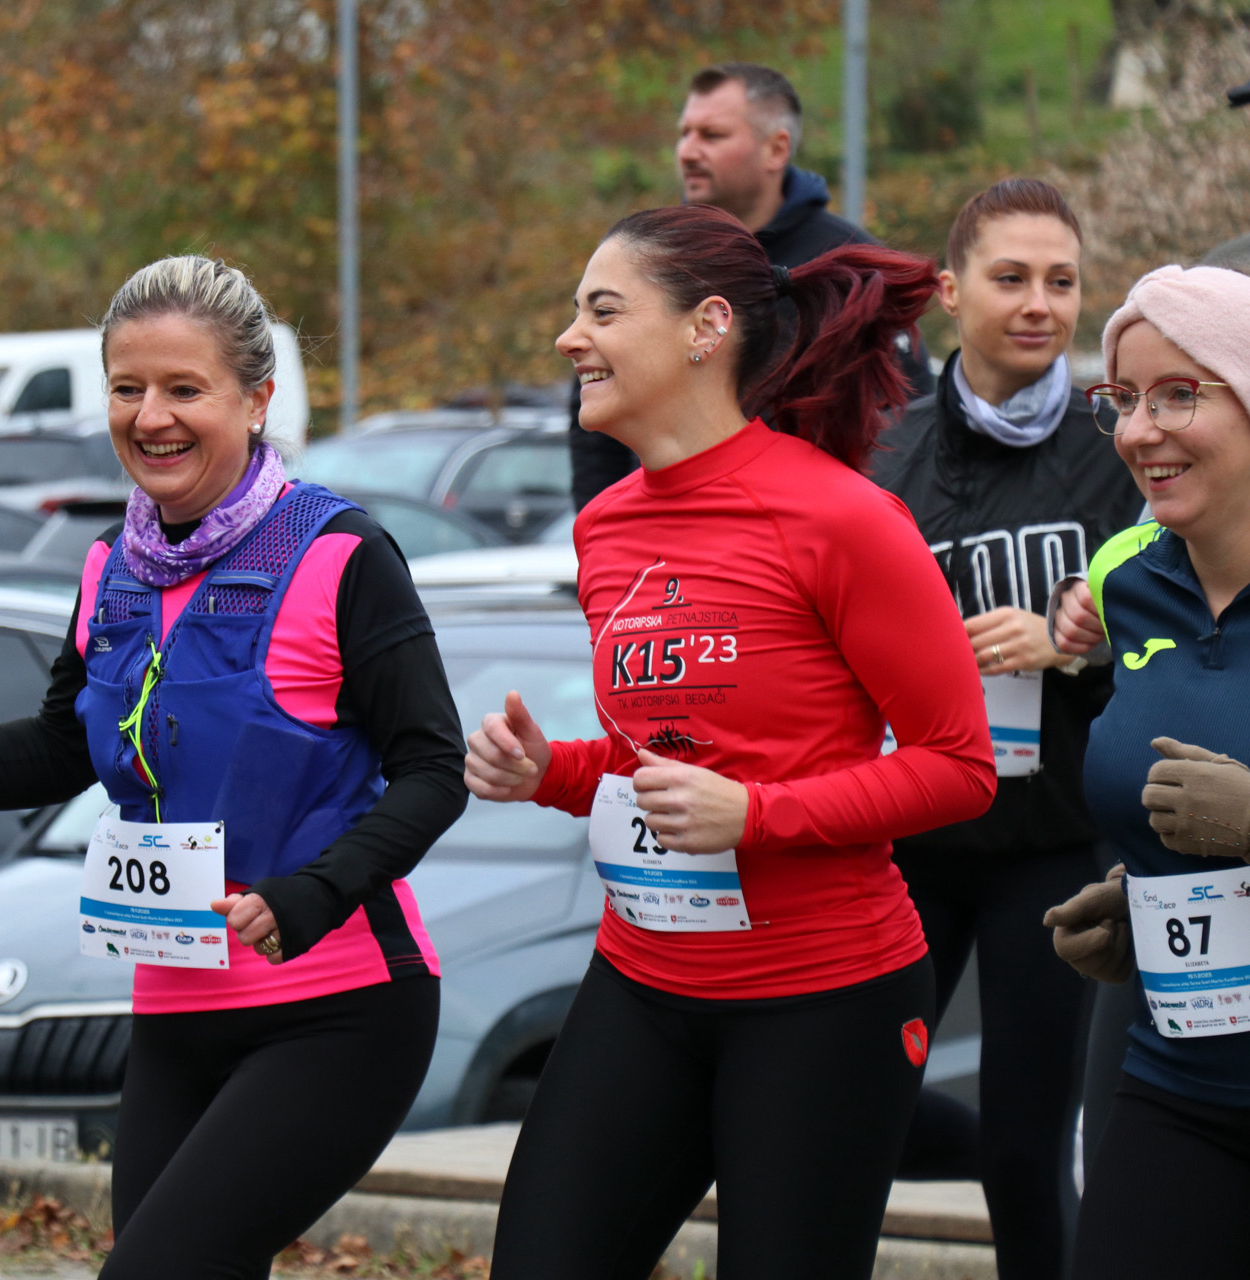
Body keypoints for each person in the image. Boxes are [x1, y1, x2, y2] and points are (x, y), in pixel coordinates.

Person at [0, 256, 468, 1280]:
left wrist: (318, 888)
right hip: (178, 1003)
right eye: (127, 388)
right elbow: (57, 748)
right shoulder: (112, 565)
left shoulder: (342, 553)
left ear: (257, 399)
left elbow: (433, 768)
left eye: (185, 389)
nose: (151, 416)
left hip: (337, 1003)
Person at [466, 204, 996, 1279]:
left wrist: (759, 817)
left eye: (601, 310)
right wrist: (548, 771)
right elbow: (651, 762)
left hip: (824, 998)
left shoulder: (842, 519)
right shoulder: (605, 524)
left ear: (706, 326)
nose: (571, 338)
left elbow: (959, 766)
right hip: (645, 978)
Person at [867, 179, 1137, 1279]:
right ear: (948, 292)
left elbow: (1187, 618)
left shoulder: (1119, 443)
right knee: (856, 1105)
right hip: (912, 838)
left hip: (1052, 839)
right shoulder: (892, 453)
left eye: (1062, 281)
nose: (1040, 304)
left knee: (1029, 1152)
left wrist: (1085, 638)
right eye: (1011, 277)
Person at [1031, 264, 1250, 1280]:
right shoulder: (1132, 579)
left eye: (1179, 394)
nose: (1139, 430)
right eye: (1122, 400)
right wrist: (1144, 900)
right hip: (1181, 1078)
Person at [567, 61, 932, 512]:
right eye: (684, 133)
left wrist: (847, 529)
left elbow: (908, 422)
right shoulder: (646, 256)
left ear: (776, 148)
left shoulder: (847, 264)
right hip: (658, 537)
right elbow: (593, 427)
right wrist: (602, 534)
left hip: (809, 541)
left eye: (711, 135)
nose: (687, 150)